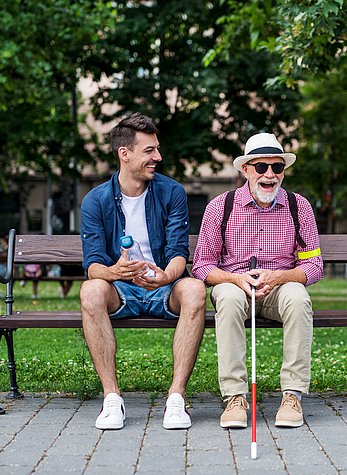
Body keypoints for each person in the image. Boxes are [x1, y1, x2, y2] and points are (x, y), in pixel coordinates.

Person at [80, 112, 206, 431]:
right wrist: (115, 271)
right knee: (90, 290)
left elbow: (179, 253)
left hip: (163, 285)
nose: (158, 157)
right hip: (121, 288)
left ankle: (176, 398)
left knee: (193, 289)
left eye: (157, 149)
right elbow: (93, 265)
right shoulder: (95, 201)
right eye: (149, 150)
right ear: (125, 153)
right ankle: (112, 399)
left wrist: (166, 275)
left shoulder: (171, 192)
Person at [192, 132, 324, 429]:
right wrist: (235, 279)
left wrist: (279, 277)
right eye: (261, 167)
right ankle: (235, 397)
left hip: (279, 288)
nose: (269, 174)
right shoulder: (220, 206)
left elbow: (314, 265)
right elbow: (202, 266)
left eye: (277, 168)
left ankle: (292, 395)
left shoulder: (298, 206)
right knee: (225, 296)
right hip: (235, 286)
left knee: (298, 296)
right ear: (246, 169)